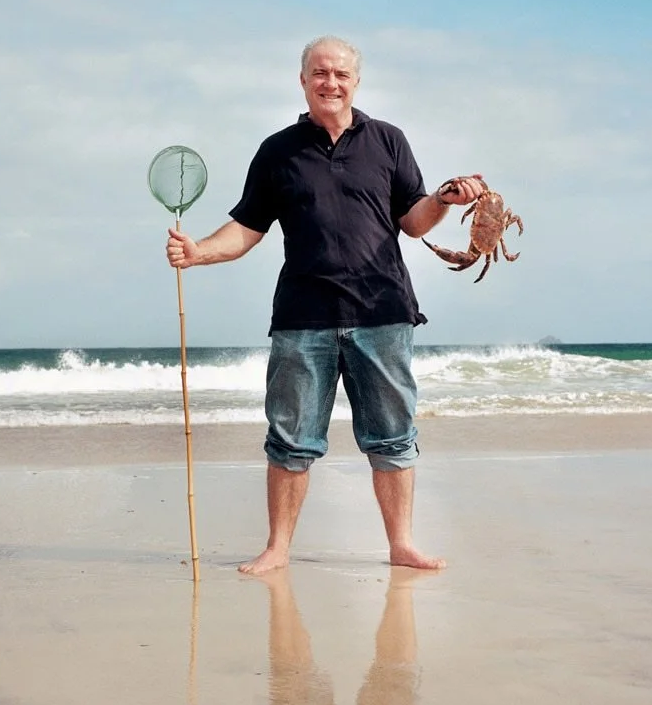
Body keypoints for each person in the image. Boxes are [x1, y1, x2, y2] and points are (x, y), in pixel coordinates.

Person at [165, 35, 484, 575]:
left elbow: (413, 220)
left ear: (356, 81)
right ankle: (278, 549)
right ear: (303, 80)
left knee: (393, 436)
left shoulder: (388, 141)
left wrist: (443, 201)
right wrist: (199, 253)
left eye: (340, 74)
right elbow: (247, 228)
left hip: (382, 313)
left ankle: (401, 545)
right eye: (319, 73)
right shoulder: (277, 150)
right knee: (290, 440)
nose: (330, 82)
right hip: (302, 319)